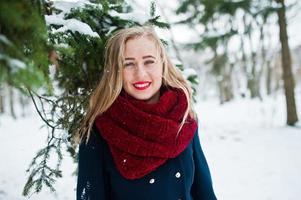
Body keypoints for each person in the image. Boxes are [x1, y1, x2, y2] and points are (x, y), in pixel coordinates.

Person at [76, 26, 217, 200]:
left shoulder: (183, 117)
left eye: (149, 61)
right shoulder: (98, 130)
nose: (140, 73)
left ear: (162, 64)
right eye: (128, 64)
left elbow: (204, 192)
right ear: (115, 71)